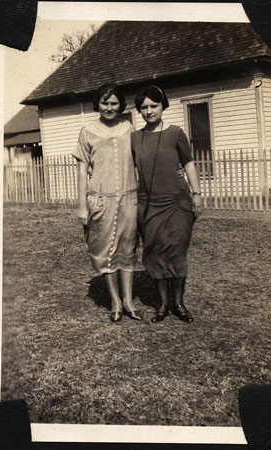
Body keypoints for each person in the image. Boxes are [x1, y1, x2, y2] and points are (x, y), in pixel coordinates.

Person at [131, 85, 202, 323]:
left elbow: (189, 163)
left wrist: (197, 193)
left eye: (154, 106)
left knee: (176, 251)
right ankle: (162, 305)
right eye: (144, 107)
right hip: (148, 204)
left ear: (163, 106)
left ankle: (178, 304)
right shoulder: (134, 137)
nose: (149, 111)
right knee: (154, 253)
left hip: (176, 202)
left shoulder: (175, 132)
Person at [73, 83, 142, 323]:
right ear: (98, 104)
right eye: (105, 103)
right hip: (100, 199)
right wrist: (82, 205)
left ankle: (129, 301)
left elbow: (137, 164)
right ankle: (115, 301)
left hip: (129, 197)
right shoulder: (87, 131)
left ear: (120, 105)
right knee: (104, 250)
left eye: (114, 103)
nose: (109, 107)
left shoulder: (129, 128)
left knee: (128, 248)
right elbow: (83, 171)